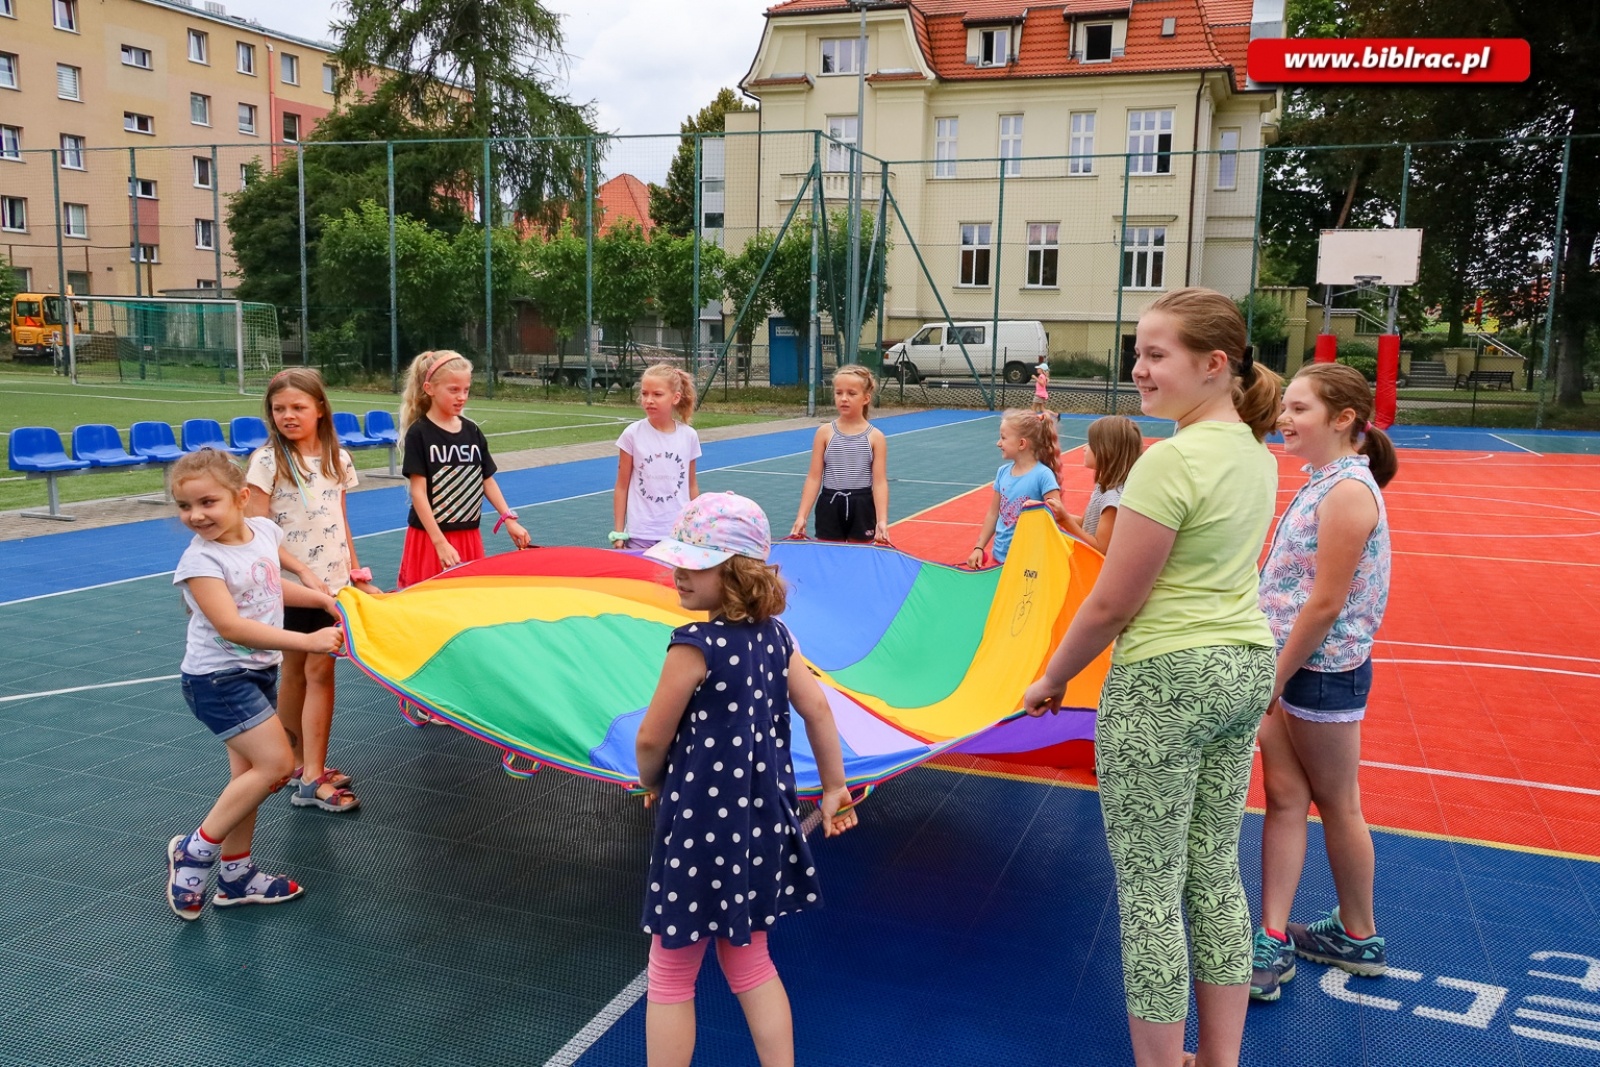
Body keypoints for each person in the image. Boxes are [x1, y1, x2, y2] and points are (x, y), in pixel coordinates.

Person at [1021, 287, 1283, 1067]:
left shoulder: (1170, 460)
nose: (1138, 368)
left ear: (1214, 364)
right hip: (1242, 667)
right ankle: (1220, 1057)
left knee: (1149, 893)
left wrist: (1051, 677)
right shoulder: (1256, 453)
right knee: (1214, 871)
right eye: (1137, 352)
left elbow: (1113, 600)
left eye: (1156, 354)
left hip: (1167, 682)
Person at [635, 492, 858, 1067]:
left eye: (695, 564)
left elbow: (652, 739)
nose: (679, 573)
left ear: (736, 572)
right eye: (679, 561)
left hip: (698, 829)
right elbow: (818, 710)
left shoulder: (694, 646)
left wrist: (651, 780)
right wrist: (834, 786)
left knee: (671, 971)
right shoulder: (778, 639)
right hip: (760, 827)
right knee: (751, 960)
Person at [1250, 363, 1396, 1002]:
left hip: (1317, 674)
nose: (1284, 418)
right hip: (1290, 667)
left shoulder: (1348, 492)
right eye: (1286, 407)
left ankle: (1358, 933)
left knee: (1338, 803)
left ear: (1342, 419)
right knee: (1284, 796)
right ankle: (1272, 936)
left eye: (1299, 409)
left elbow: (1325, 603)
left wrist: (1274, 679)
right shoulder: (1322, 482)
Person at [165, 449, 345, 920]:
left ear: (241, 498)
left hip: (256, 673)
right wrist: (307, 640)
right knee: (278, 765)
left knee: (248, 778)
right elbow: (233, 627)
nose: (196, 515)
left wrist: (323, 601)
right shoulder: (201, 561)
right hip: (217, 679)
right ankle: (194, 850)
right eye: (185, 506)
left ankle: (236, 876)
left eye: (208, 502)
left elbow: (270, 586)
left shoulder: (263, 532)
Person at [246, 368, 372, 813]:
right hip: (292, 589)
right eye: (279, 408)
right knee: (309, 673)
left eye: (298, 407)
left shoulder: (338, 458)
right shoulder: (267, 462)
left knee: (308, 671)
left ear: (320, 408)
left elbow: (340, 521)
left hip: (333, 585)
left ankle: (300, 765)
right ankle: (310, 776)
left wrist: (356, 573)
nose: (288, 415)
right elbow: (257, 535)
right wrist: (301, 571)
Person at [397, 350, 531, 589]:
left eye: (466, 390)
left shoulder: (472, 431)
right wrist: (439, 542)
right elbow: (418, 493)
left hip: (468, 534)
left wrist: (508, 519)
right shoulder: (420, 433)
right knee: (429, 600)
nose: (462, 397)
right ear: (429, 389)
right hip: (431, 537)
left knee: (468, 597)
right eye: (453, 390)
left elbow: (486, 479)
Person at [789, 364, 889, 543]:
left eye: (851, 393)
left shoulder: (876, 437)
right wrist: (801, 516)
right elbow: (814, 478)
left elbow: (879, 482)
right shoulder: (824, 433)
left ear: (866, 398)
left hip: (862, 506)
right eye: (838, 393)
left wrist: (881, 520)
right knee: (829, 554)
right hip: (830, 505)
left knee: (860, 555)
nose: (844, 399)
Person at [612, 364, 702, 552]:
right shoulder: (632, 434)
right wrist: (619, 532)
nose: (649, 400)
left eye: (657, 394)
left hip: (678, 534)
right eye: (644, 394)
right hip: (640, 535)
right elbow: (622, 486)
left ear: (675, 398)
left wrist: (697, 526)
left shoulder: (689, 436)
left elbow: (691, 485)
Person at [967, 410, 1067, 568]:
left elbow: (1055, 517)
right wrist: (979, 547)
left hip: (1030, 561)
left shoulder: (1043, 475)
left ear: (1021, 444)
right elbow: (993, 514)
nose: (998, 443)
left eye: (1003, 438)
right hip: (1000, 558)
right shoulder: (1002, 473)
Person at [1058, 415, 1143, 554]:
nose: (1084, 448)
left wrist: (1065, 520)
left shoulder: (1112, 498)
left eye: (1090, 443)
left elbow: (1100, 548)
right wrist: (1054, 514)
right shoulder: (1103, 486)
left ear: (1106, 451)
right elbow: (1084, 523)